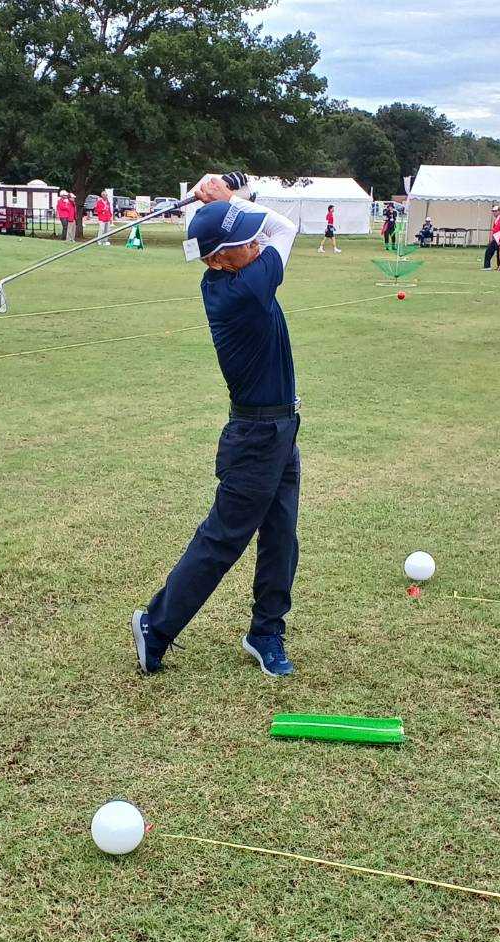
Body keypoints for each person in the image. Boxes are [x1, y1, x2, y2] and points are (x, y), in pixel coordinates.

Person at [131, 171, 301, 679]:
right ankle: (156, 627)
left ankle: (266, 632)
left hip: (280, 428)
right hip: (256, 438)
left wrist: (224, 202)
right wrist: (229, 199)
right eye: (244, 240)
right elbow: (284, 228)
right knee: (224, 538)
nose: (256, 241)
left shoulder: (231, 271)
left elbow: (250, 231)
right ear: (218, 260)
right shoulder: (243, 290)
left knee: (281, 535)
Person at [483, 204, 500, 270]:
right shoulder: (496, 220)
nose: (494, 213)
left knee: (499, 254)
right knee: (488, 251)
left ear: (499, 211)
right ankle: (487, 266)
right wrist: (492, 238)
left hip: (499, 240)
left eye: (495, 211)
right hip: (495, 239)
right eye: (493, 211)